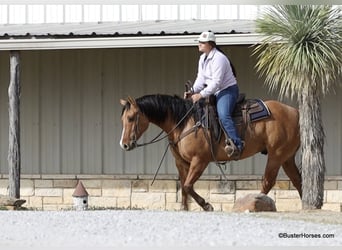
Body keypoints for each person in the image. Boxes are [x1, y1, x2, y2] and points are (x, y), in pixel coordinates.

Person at [184, 31, 244, 159]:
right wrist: (193, 90)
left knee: (223, 115)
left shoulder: (219, 58)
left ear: (210, 44)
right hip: (214, 91)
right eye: (199, 42)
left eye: (202, 43)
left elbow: (216, 82)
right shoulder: (202, 58)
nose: (199, 45)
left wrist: (200, 95)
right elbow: (201, 78)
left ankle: (237, 145)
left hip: (227, 90)